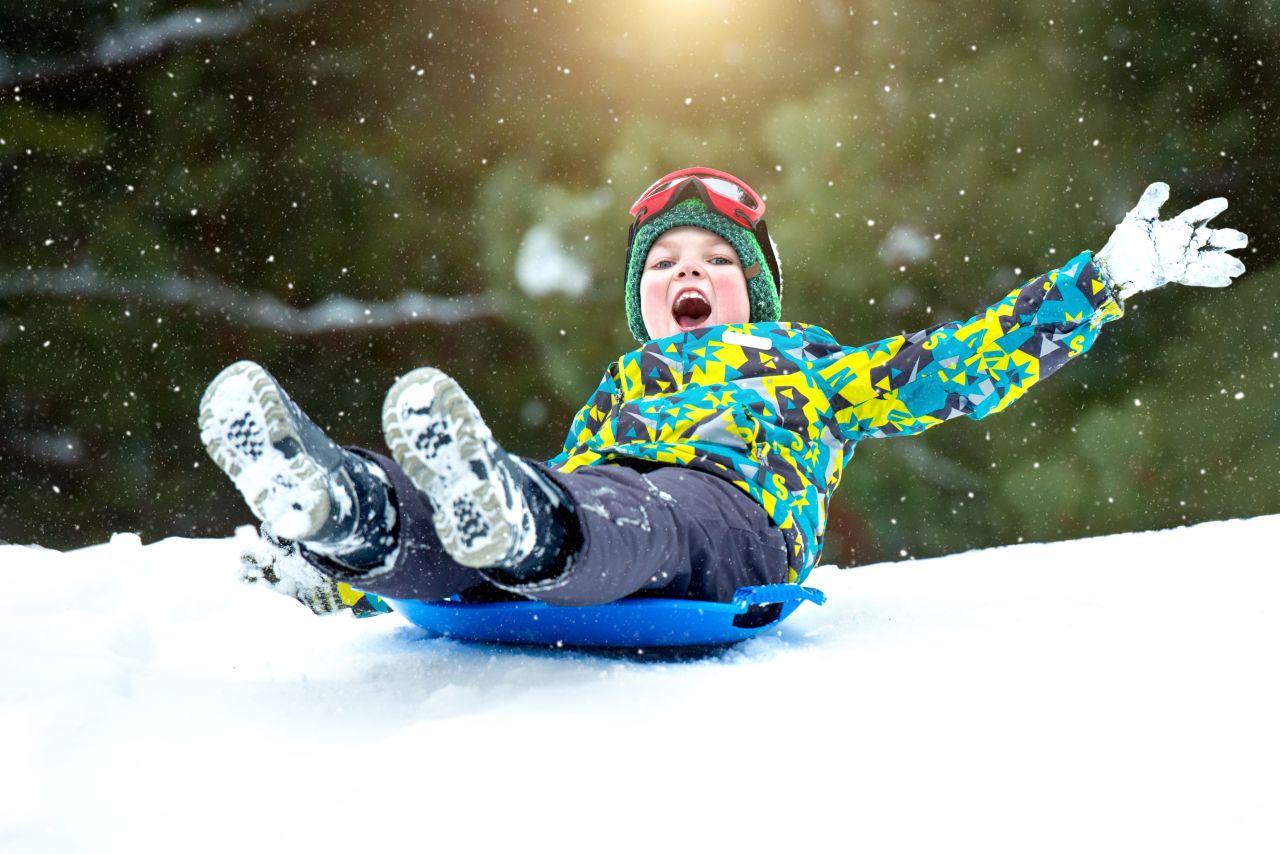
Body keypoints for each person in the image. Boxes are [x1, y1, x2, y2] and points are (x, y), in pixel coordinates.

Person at [202, 169, 1248, 616]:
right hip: (596, 496)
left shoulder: (811, 367)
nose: (688, 272)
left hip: (727, 517)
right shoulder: (621, 387)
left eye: (714, 259)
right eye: (665, 264)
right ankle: (344, 509)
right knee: (498, 515)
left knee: (624, 514)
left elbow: (959, 366)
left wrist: (1108, 278)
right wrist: (339, 586)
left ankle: (524, 528)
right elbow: (545, 486)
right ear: (640, 300)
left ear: (754, 290)